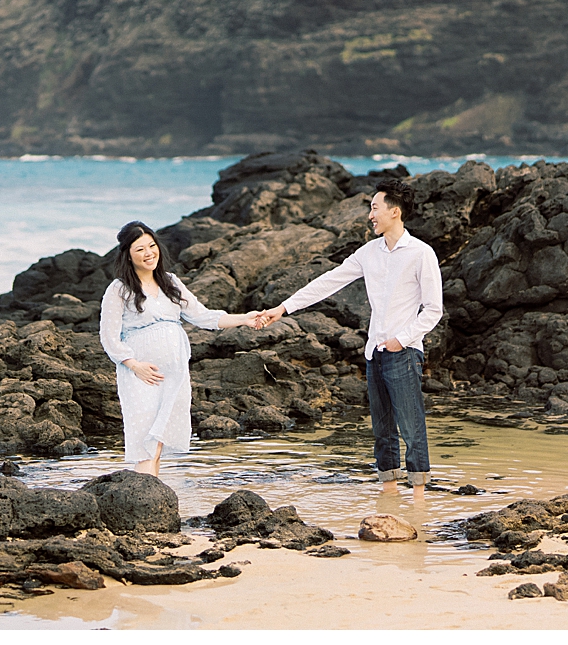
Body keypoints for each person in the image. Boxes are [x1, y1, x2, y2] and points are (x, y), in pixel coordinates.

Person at [255, 178, 441, 498]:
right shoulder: (369, 252)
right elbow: (328, 282)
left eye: (374, 208)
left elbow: (433, 310)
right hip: (374, 352)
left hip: (403, 352)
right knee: (382, 430)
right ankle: (390, 494)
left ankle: (420, 499)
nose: (370, 215)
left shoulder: (420, 254)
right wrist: (283, 308)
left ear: (394, 212)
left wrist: (402, 339)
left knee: (412, 429)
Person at [99, 221, 260, 476]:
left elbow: (204, 316)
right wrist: (134, 365)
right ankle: (145, 500)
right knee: (143, 440)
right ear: (128, 254)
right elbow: (108, 337)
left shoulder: (170, 282)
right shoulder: (119, 289)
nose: (148, 253)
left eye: (152, 246)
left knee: (158, 441)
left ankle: (154, 497)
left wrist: (244, 318)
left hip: (175, 373)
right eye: (140, 249)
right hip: (142, 373)